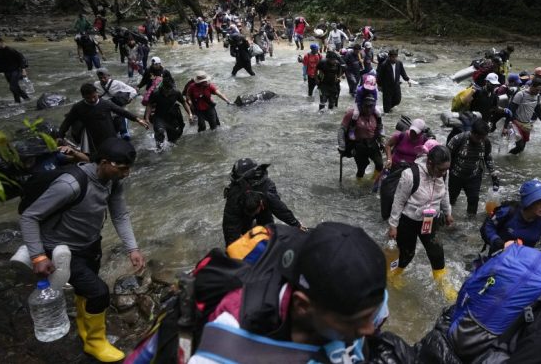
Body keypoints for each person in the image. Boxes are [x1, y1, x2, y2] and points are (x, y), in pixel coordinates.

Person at [188, 222, 409, 364]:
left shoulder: (366, 302)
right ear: (302, 305)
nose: (370, 328)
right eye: (356, 321)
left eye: (372, 315)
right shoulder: (224, 351)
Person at [19, 138, 145, 362]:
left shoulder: (113, 181)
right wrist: (38, 256)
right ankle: (95, 343)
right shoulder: (70, 184)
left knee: (85, 290)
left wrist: (132, 248)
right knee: (99, 292)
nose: (127, 173)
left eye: (129, 168)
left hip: (90, 244)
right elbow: (30, 216)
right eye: (123, 168)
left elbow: (120, 214)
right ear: (105, 162)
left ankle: (85, 329)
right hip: (60, 249)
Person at [387, 144, 456, 300]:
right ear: (430, 163)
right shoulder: (410, 175)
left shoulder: (444, 174)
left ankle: (442, 284)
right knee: (407, 254)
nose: (443, 173)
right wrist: (393, 226)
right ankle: (393, 274)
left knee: (437, 253)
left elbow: (445, 193)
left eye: (446, 169)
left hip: (430, 219)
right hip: (408, 221)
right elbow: (398, 201)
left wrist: (448, 212)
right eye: (440, 170)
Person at [481, 179, 541, 256]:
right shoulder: (508, 212)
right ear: (529, 203)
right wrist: (497, 241)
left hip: (524, 259)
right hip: (499, 255)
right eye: (539, 202)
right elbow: (488, 226)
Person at [221, 158, 306, 246]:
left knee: (268, 230)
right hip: (243, 208)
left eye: (255, 211)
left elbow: (280, 209)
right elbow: (230, 225)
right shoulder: (234, 197)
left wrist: (297, 225)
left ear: (261, 204)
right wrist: (231, 248)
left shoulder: (268, 191)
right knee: (244, 234)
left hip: (264, 205)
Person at [58, 83, 149, 155]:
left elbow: (121, 111)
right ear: (83, 97)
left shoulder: (105, 103)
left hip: (110, 134)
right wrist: (60, 136)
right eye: (89, 98)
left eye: (94, 96)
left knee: (114, 154)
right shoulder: (78, 107)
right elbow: (67, 122)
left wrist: (137, 119)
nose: (93, 100)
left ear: (97, 93)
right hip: (93, 138)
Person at [447, 119, 499, 216]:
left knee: (474, 199)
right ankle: (449, 217)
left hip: (474, 176)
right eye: (479, 137)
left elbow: (488, 157)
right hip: (455, 175)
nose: (480, 140)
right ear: (472, 132)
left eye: (483, 138)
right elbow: (446, 157)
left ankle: (470, 221)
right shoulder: (458, 139)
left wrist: (494, 174)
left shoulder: (486, 142)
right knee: (451, 198)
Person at [339, 96, 384, 179]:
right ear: (361, 105)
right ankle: (359, 183)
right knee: (361, 169)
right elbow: (342, 130)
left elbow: (380, 129)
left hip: (372, 142)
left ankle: (373, 182)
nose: (368, 109)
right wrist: (342, 145)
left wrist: (382, 142)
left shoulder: (376, 114)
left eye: (371, 106)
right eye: (366, 106)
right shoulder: (352, 114)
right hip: (358, 145)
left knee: (380, 164)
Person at [502, 77, 541, 155]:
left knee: (522, 148)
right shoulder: (521, 94)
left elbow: (539, 112)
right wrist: (505, 127)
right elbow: (511, 111)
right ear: (532, 86)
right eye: (537, 89)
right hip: (515, 123)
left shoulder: (537, 97)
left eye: (540, 90)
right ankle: (507, 158)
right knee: (519, 146)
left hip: (526, 124)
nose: (538, 92)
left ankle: (512, 161)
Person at [145, 78, 192, 151]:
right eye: (165, 91)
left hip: (172, 117)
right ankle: (159, 150)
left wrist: (190, 114)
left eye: (169, 91)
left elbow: (184, 103)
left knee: (173, 139)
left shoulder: (176, 92)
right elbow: (149, 105)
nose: (167, 93)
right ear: (162, 87)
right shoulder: (155, 93)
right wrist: (147, 118)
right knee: (160, 132)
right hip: (159, 116)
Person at [95, 68, 138, 140]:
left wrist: (129, 99)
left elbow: (133, 91)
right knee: (111, 136)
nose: (102, 80)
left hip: (120, 112)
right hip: (107, 114)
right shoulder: (96, 85)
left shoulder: (117, 83)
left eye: (104, 77)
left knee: (125, 135)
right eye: (100, 78)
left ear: (108, 76)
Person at [0, 35, 30, 103]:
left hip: (16, 70)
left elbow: (21, 59)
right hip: (7, 71)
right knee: (15, 88)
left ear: (1, 42)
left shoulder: (10, 50)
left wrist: (23, 70)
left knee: (12, 87)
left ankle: (19, 101)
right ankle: (25, 99)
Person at [377, 49, 411, 113]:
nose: (394, 59)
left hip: (396, 85)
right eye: (393, 57)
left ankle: (389, 107)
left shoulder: (399, 63)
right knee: (386, 106)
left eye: (395, 57)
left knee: (397, 100)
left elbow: (403, 73)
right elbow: (380, 76)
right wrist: (379, 85)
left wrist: (407, 79)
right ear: (389, 57)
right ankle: (386, 116)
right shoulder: (384, 64)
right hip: (387, 87)